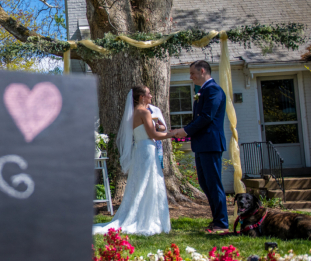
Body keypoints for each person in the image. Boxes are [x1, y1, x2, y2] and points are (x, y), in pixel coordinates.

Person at [93, 85, 173, 236]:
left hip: (139, 150)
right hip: (148, 151)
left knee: (141, 184)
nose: (151, 96)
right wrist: (173, 134)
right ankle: (148, 219)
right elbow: (154, 135)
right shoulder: (144, 112)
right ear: (142, 97)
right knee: (149, 184)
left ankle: (142, 215)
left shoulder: (134, 112)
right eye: (149, 94)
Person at [173, 60, 228, 233]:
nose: (191, 77)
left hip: (211, 143)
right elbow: (199, 117)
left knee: (213, 183)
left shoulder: (213, 90)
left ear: (202, 70)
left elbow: (207, 117)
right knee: (205, 183)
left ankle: (222, 223)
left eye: (192, 73)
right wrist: (186, 131)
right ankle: (216, 220)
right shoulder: (203, 91)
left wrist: (186, 130)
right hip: (202, 144)